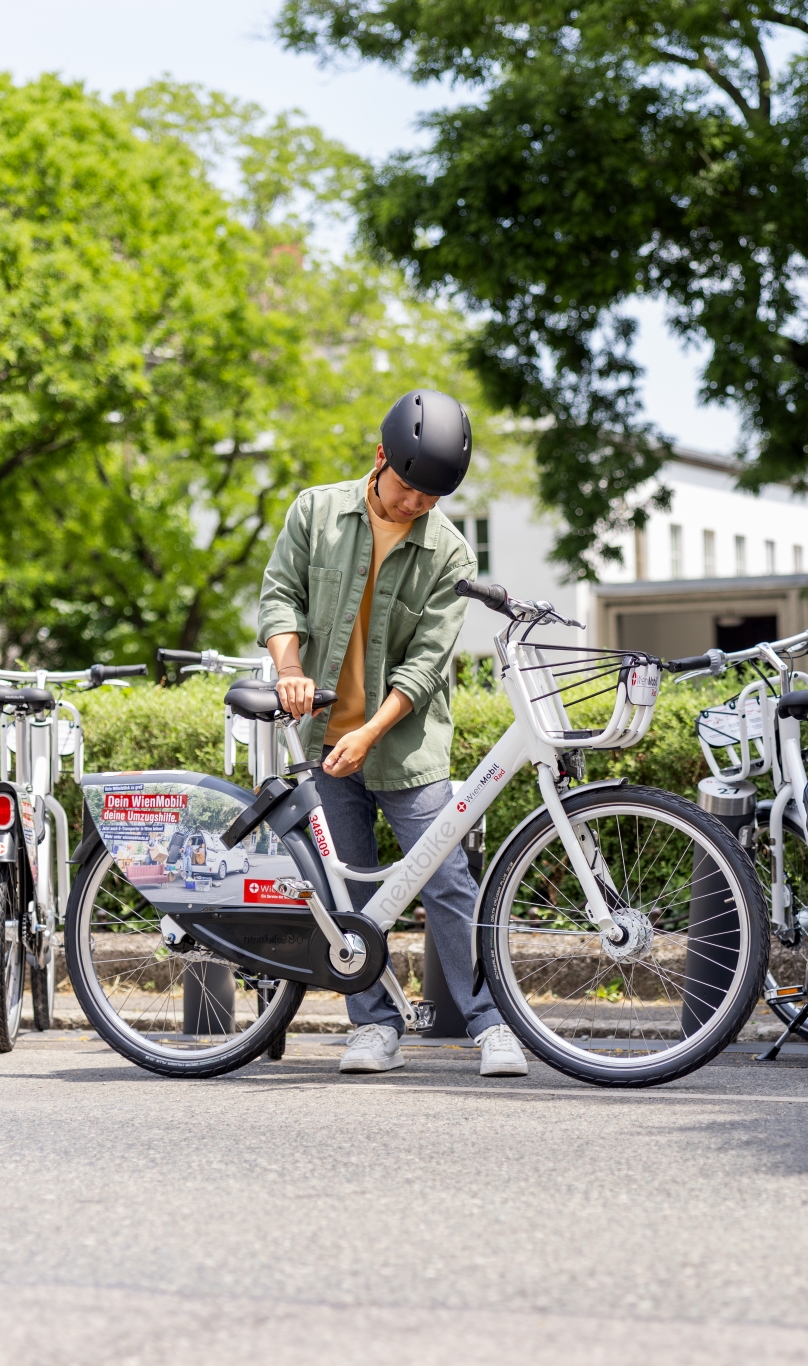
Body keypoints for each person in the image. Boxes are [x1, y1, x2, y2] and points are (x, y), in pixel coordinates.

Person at [257, 388, 528, 1078]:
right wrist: (289, 670)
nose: (415, 506)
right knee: (348, 896)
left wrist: (372, 732)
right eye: (408, 488)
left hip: (405, 748)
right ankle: (373, 1026)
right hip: (323, 740)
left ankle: (492, 1025)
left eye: (430, 498)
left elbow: (428, 663)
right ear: (380, 460)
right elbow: (281, 595)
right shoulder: (315, 512)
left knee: (446, 886)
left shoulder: (450, 552)